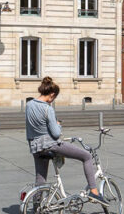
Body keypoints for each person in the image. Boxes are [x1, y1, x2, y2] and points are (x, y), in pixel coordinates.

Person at [26, 76, 108, 204]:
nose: (52, 101)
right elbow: (55, 134)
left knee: (40, 179)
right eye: (54, 98)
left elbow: (34, 127)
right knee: (86, 156)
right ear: (52, 95)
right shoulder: (48, 109)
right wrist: (58, 124)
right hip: (50, 145)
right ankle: (94, 191)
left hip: (35, 146)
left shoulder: (29, 105)